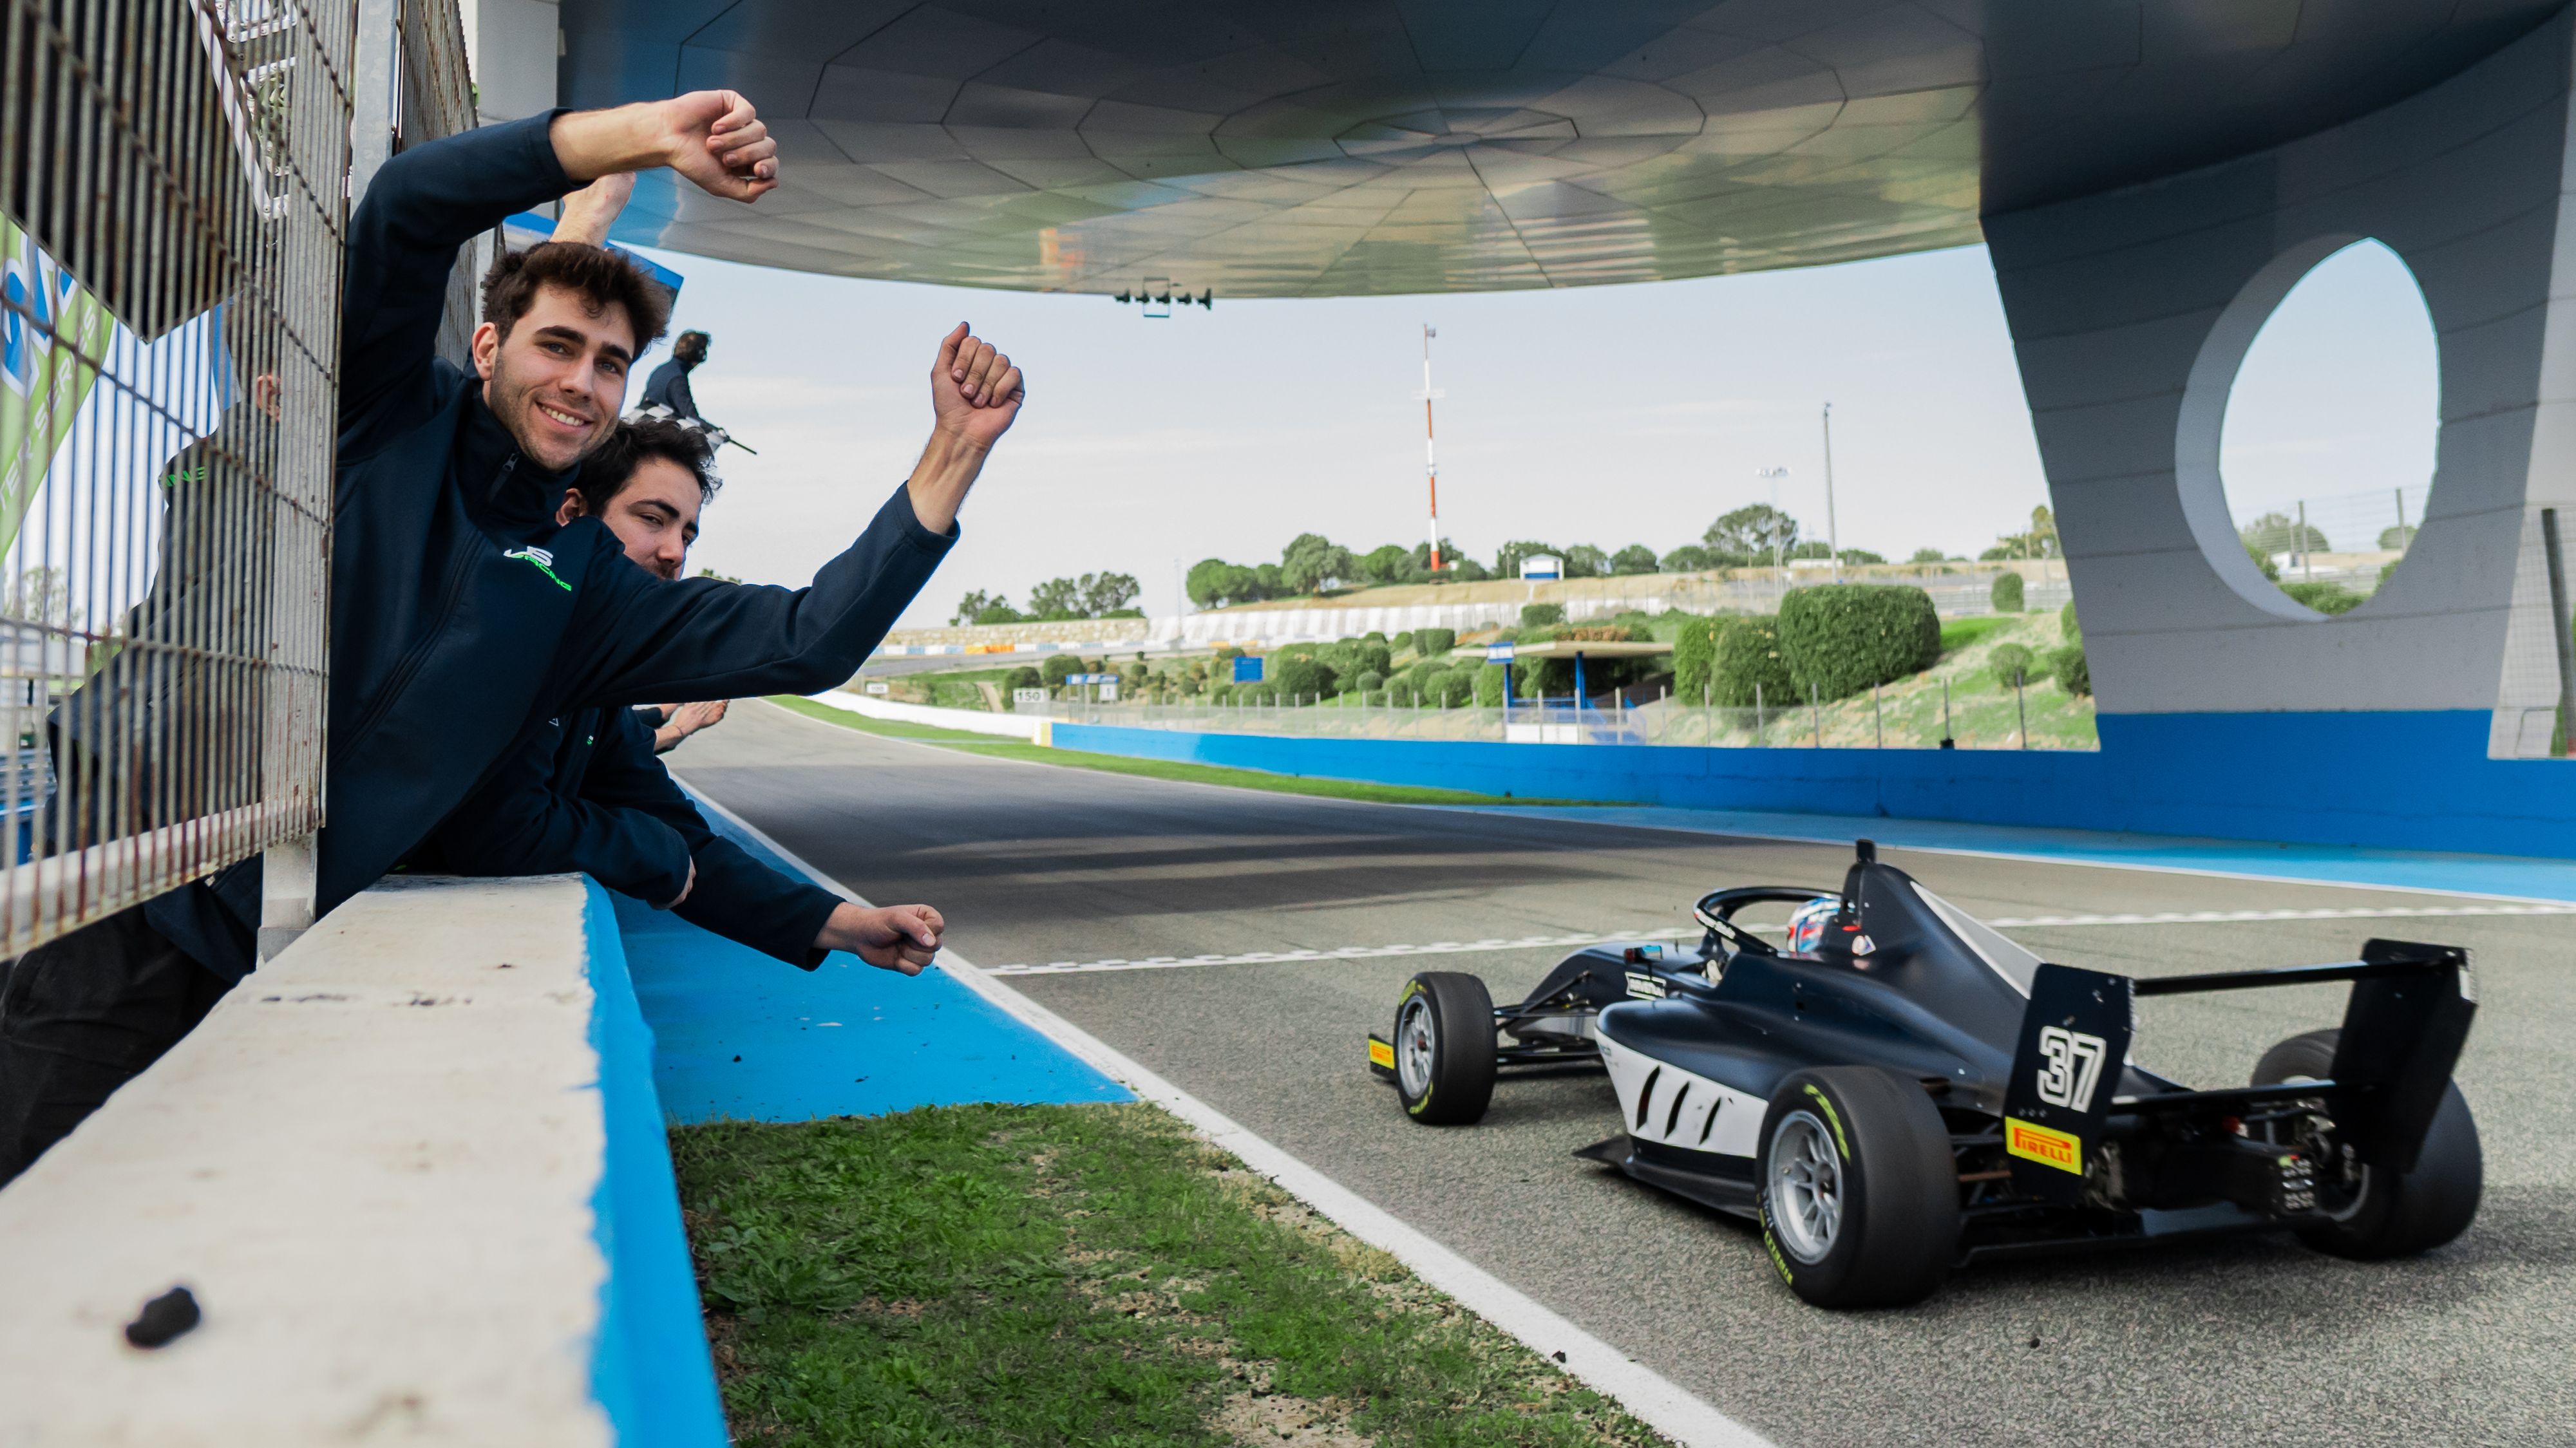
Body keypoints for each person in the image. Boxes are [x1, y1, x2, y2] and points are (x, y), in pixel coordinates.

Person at [0, 91, 1025, 1183]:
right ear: (488, 345)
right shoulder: (387, 417)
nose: (582, 382)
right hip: (127, 896)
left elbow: (808, 639)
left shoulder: (586, 588)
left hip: (289, 950)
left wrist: (953, 452)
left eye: (611, 363)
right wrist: (644, 140)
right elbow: (407, 204)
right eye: (559, 347)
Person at [412, 415, 940, 972]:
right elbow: (500, 831)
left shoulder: (598, 688)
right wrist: (649, 849)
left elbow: (689, 844)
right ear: (573, 515)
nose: (673, 552)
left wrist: (848, 925)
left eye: (686, 533)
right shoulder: (507, 624)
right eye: (652, 519)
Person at [641, 330, 710, 422]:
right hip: (659, 431)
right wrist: (719, 433)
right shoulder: (678, 378)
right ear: (700, 354)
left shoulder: (659, 370)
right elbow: (691, 417)